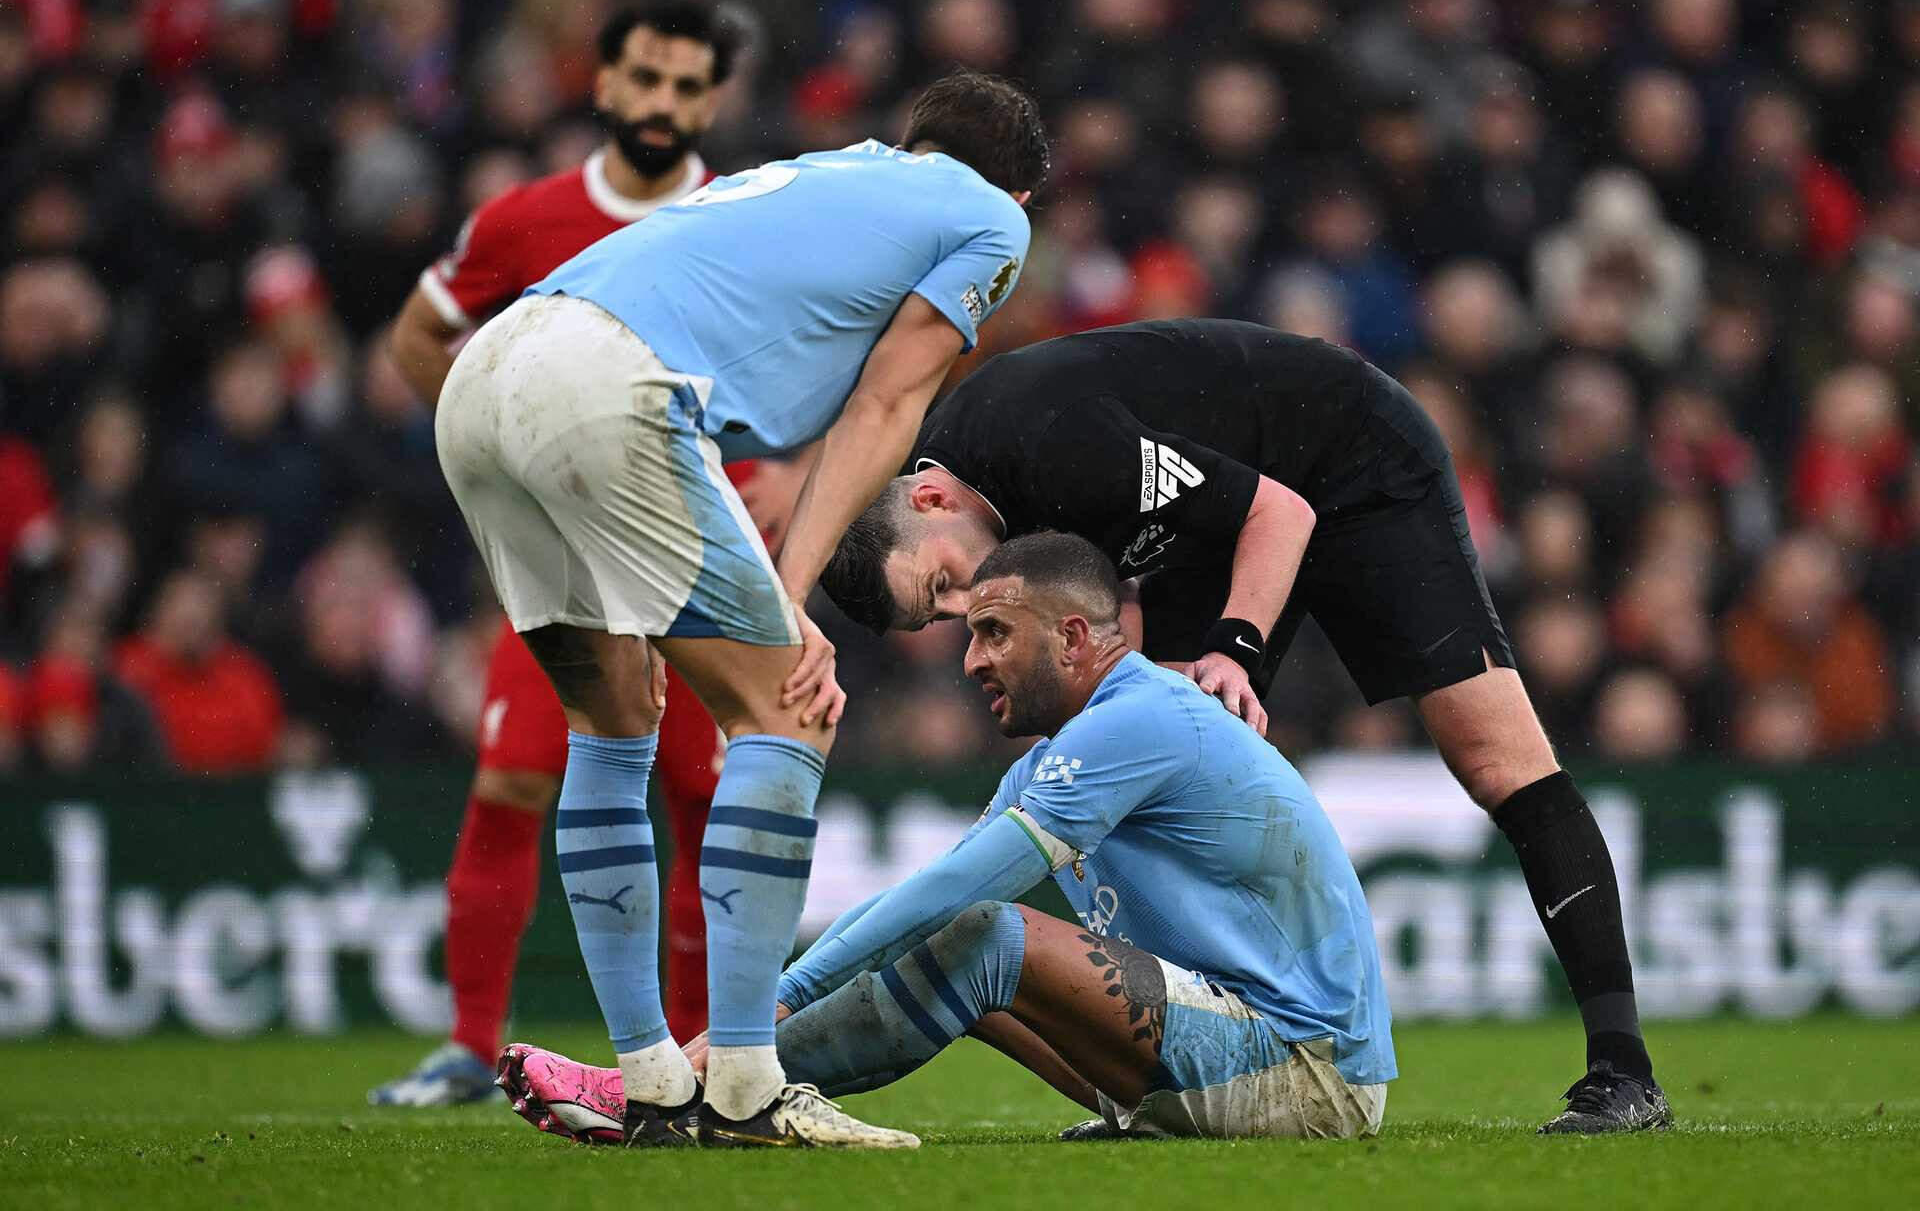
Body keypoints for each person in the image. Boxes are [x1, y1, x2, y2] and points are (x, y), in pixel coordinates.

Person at [820, 318, 1672, 1134]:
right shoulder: (993, 505)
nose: (966, 608)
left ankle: (1623, 1070)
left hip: (1348, 461)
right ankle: (1211, 1057)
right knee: (1135, 751)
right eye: (942, 616)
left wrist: (1235, 647)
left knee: (1497, 762)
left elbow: (1281, 511)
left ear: (930, 497)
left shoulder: (1047, 442)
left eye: (943, 584)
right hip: (1217, 523)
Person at [433, 70, 1047, 1147]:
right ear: (1023, 193)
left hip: (487, 374)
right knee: (791, 709)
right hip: (609, 381)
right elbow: (891, 399)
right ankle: (749, 1084)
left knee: (615, 714)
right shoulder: (991, 217)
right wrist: (792, 589)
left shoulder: (829, 173)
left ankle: (653, 1079)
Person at [496, 532, 1396, 1143]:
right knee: (966, 955)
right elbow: (936, 896)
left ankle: (691, 1098)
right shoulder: (1070, 747)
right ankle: (719, 1087)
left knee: (988, 937)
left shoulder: (1143, 721)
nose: (971, 661)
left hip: (1312, 1076)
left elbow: (964, 895)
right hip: (1231, 1047)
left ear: (1075, 638)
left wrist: (784, 993)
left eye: (994, 633)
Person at [370, 0, 757, 1107]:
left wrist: (771, 471)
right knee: (507, 782)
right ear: (603, 82)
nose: (663, 103)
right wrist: (498, 454)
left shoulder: (736, 216)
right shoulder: (522, 221)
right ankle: (466, 1045)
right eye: (646, 78)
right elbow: (415, 332)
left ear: (712, 99)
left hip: (689, 556)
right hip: (560, 562)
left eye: (688, 86)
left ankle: (697, 1051)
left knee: (702, 798)